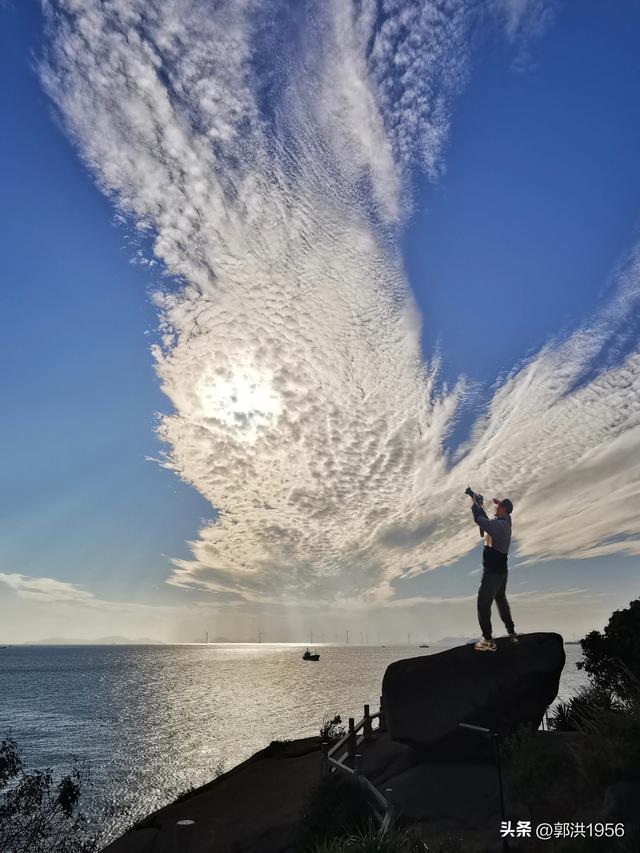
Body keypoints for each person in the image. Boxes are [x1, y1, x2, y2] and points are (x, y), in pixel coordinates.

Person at [470, 494, 518, 651]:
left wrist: (475, 503)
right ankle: (511, 632)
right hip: (502, 571)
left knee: (483, 603)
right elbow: (490, 521)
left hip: (492, 573)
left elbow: (479, 519)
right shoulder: (506, 522)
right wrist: (495, 504)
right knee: (501, 600)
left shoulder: (499, 527)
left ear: (504, 509)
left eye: (498, 507)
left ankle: (488, 640)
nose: (495, 508)